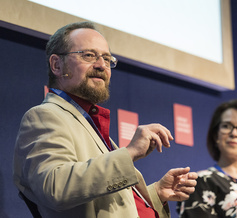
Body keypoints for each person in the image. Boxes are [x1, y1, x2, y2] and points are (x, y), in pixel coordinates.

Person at [13, 21, 198, 218]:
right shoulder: (45, 116)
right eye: (89, 55)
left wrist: (156, 194)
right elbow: (55, 188)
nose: (101, 65)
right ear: (57, 65)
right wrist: (130, 153)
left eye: (107, 58)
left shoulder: (88, 123)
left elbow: (104, 203)